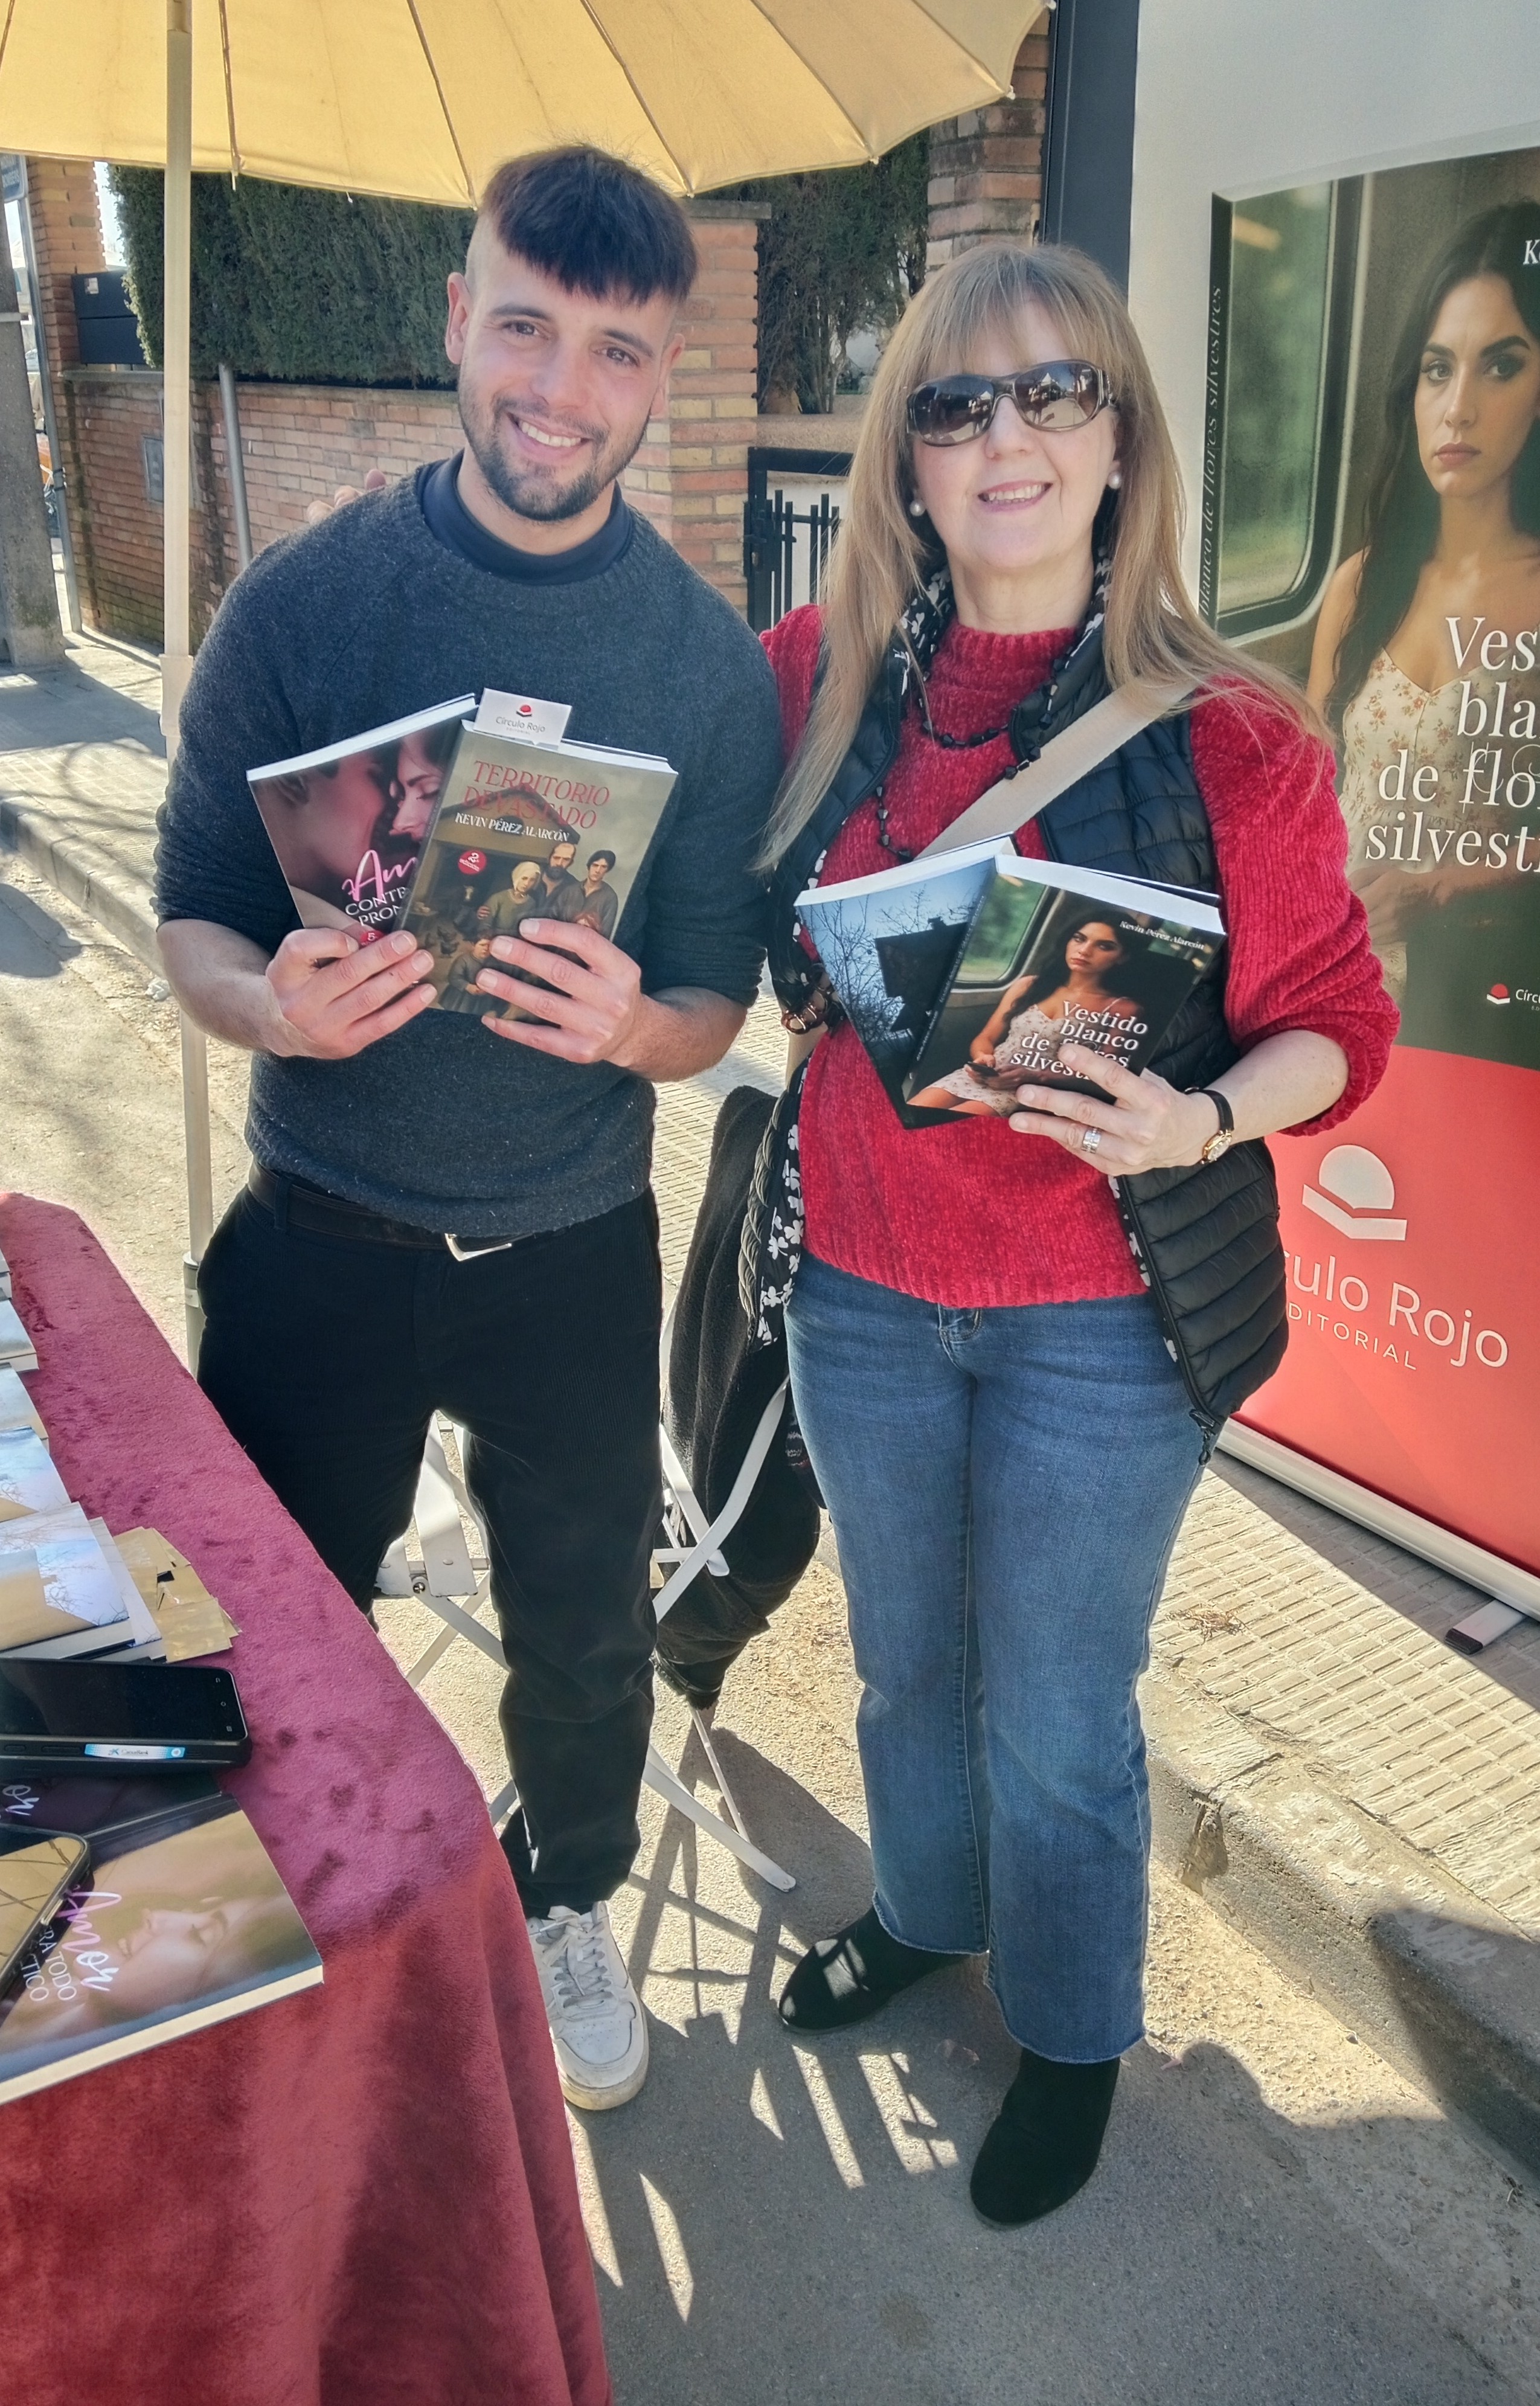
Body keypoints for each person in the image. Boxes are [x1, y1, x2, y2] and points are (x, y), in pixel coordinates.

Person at [757, 241, 1396, 2228]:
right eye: (954, 405)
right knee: (894, 1665)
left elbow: (1343, 1031)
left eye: (1052, 393)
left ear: (1123, 441)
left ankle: (1074, 2022)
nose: (1005, 435)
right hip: (860, 1289)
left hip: (1098, 1327)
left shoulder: (1238, 743)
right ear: (909, 466)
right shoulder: (816, 679)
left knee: (1052, 1707)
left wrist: (1200, 1109)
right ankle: (927, 1915)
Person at [154, 145, 783, 2114]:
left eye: (614, 348)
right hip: (316, 1228)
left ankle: (569, 1891)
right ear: (456, 315)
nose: (560, 387)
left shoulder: (700, 662)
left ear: (659, 370)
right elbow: (190, 912)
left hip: (570, 1248)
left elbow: (714, 997)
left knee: (583, 1633)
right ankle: (287, 1919)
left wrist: (641, 1027)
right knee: (266, 1626)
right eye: (525, 323)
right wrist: (269, 995)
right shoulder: (306, 601)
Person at [1307, 200, 1540, 1044]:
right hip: (1334, 969)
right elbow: (1311, 795)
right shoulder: (1359, 584)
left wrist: (1446, 885)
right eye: (1439, 369)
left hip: (1471, 985)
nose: (1459, 407)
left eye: (1501, 366)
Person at [910, 915, 1140, 1114]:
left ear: (1123, 956)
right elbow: (986, 1038)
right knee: (915, 1110)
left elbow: (1105, 1077)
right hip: (985, 1074)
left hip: (1032, 1091)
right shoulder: (1029, 985)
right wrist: (983, 1058)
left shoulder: (1123, 1009)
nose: (1084, 950)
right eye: (1079, 938)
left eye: (1104, 946)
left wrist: (1035, 1076)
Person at [550, 848, 620, 937]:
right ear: (589, 866)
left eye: (603, 867)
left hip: (584, 947)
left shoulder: (610, 897)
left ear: (607, 870)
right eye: (595, 865)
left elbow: (605, 934)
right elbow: (552, 917)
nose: (598, 870)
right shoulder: (570, 891)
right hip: (558, 942)